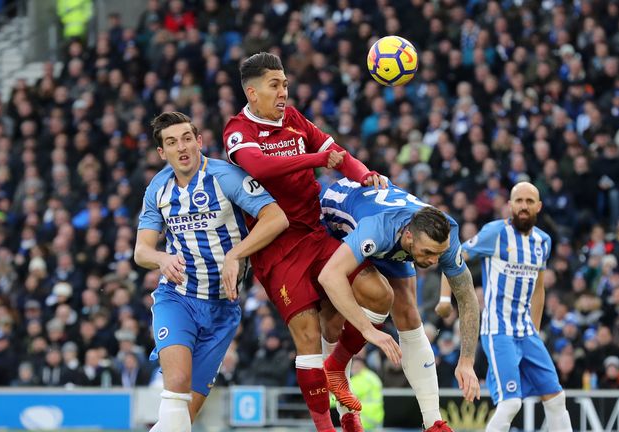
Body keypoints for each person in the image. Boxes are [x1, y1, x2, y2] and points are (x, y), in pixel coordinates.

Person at [222, 52, 399, 432]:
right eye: (275, 85)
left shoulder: (294, 119)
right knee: (307, 336)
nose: (283, 91)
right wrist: (316, 159)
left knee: (379, 295)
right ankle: (325, 427)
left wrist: (365, 174)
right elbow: (262, 168)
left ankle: (337, 367)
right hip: (275, 248)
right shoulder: (238, 131)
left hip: (316, 235)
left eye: (285, 83)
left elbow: (339, 154)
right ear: (252, 93)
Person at [135, 112, 289, 432]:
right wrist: (161, 260)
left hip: (222, 308)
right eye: (172, 142)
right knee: (176, 383)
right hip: (177, 297)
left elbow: (276, 218)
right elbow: (141, 251)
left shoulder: (225, 177)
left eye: (187, 139)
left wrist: (236, 254)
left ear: (199, 141)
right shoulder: (158, 189)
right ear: (162, 152)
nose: (182, 148)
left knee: (182, 417)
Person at [318, 178, 481, 432]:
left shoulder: (444, 234)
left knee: (407, 311)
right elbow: (329, 276)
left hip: (385, 236)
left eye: (438, 253)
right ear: (409, 236)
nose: (435, 260)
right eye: (428, 253)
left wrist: (467, 360)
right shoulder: (378, 229)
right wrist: (367, 329)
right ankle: (346, 414)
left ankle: (433, 423)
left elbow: (468, 296)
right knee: (356, 307)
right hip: (329, 224)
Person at [459, 182, 572, 432]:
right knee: (511, 404)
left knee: (556, 399)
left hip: (527, 332)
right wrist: (447, 299)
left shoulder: (543, 241)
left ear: (538, 206)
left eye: (529, 201)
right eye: (519, 200)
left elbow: (539, 289)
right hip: (499, 331)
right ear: (510, 205)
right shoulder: (495, 233)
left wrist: (536, 330)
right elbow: (456, 257)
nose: (524, 206)